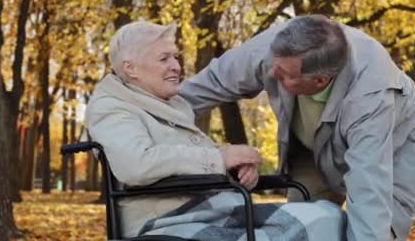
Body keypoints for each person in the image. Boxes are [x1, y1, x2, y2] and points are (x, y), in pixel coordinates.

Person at [85, 21, 346, 240]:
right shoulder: (111, 107)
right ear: (130, 68)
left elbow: (187, 158)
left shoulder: (167, 103)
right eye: (164, 58)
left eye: (175, 57)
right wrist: (218, 159)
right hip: (169, 221)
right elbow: (136, 164)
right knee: (319, 224)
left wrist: (234, 170)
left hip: (215, 209)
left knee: (328, 215)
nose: (176, 66)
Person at [179, 15, 415, 241]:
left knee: (381, 230)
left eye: (284, 73)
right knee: (303, 225)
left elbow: (369, 189)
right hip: (312, 145)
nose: (272, 73)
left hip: (394, 143)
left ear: (319, 80)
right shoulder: (276, 47)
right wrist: (152, 109)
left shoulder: (371, 94)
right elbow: (213, 82)